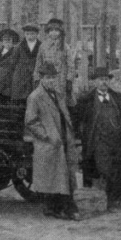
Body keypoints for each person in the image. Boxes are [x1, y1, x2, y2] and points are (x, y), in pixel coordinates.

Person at [74, 67, 121, 212]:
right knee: (106, 170)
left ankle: (117, 200)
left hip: (118, 142)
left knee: (118, 170)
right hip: (98, 142)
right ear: (94, 82)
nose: (104, 82)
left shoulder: (118, 98)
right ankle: (110, 202)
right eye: (100, 80)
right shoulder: (86, 101)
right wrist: (79, 141)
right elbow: (76, 121)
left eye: (106, 79)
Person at [25, 62, 79, 220]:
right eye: (48, 78)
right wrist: (46, 136)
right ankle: (55, 208)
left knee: (65, 173)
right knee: (52, 176)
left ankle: (64, 206)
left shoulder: (58, 94)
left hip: (63, 138)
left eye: (53, 78)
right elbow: (31, 121)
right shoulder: (35, 97)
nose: (51, 81)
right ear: (41, 78)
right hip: (49, 141)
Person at [35, 19, 74, 104]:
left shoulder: (65, 47)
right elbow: (38, 63)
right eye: (51, 30)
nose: (54, 33)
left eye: (56, 30)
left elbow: (71, 65)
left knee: (60, 102)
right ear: (48, 32)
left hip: (61, 80)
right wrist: (37, 78)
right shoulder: (43, 46)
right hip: (46, 79)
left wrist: (69, 80)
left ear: (60, 32)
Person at [12, 23, 41, 103]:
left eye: (32, 34)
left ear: (37, 34)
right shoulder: (19, 46)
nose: (30, 36)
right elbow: (13, 61)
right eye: (27, 34)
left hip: (35, 74)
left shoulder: (41, 46)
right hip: (21, 75)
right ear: (24, 34)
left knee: (35, 97)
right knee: (21, 97)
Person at [0, 28, 20, 104]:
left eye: (9, 40)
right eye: (4, 40)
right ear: (2, 41)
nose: (7, 42)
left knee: (7, 102)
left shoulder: (16, 52)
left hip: (8, 83)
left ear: (13, 41)